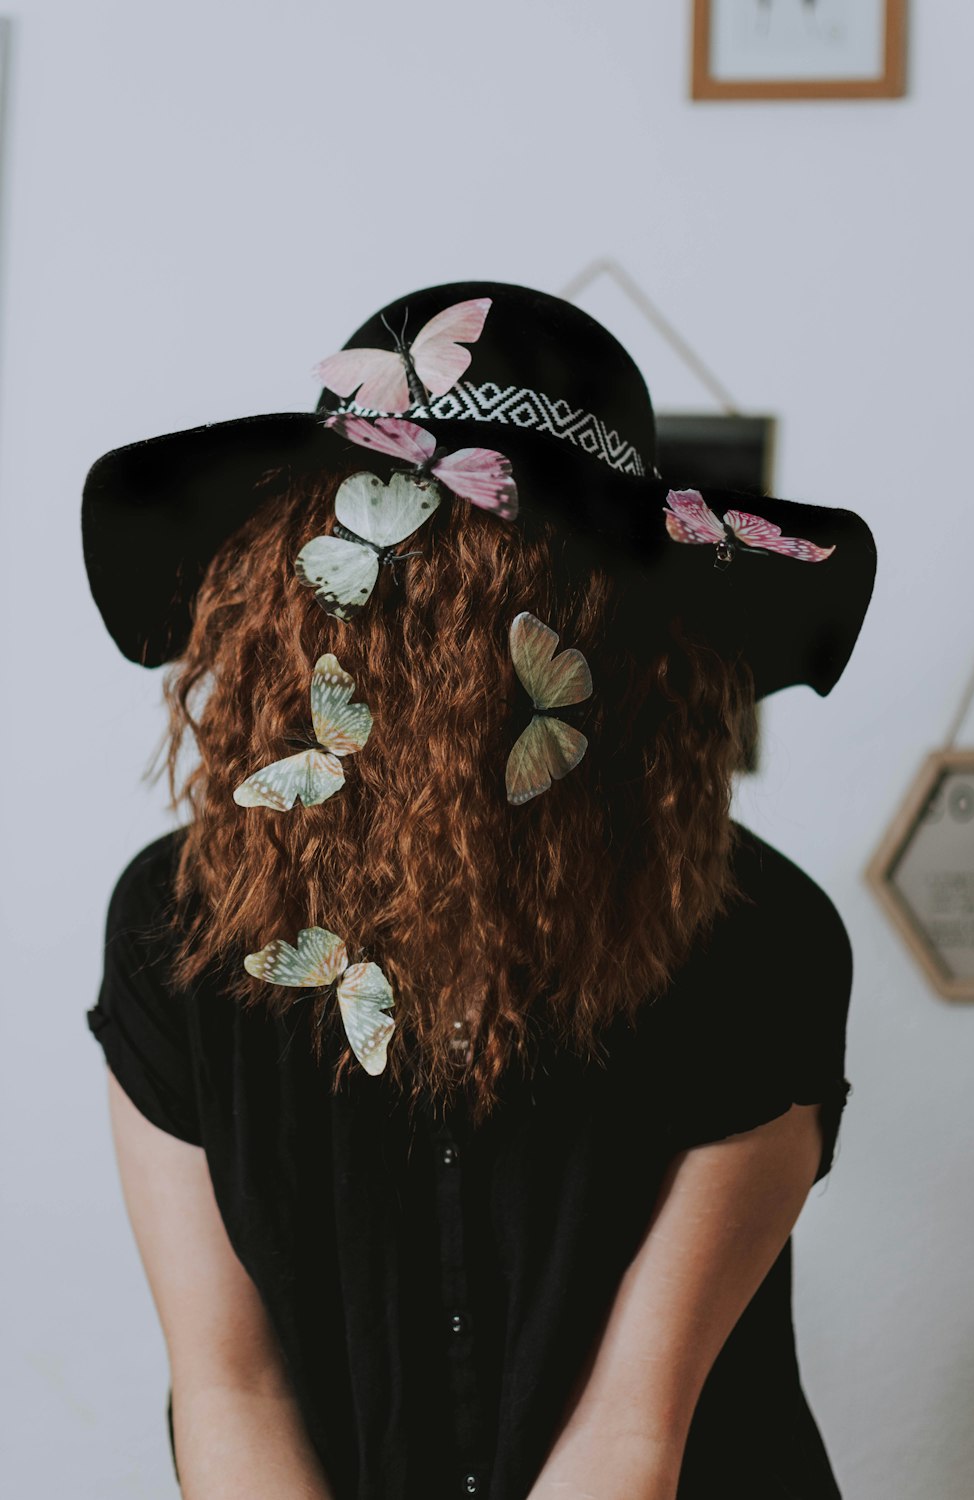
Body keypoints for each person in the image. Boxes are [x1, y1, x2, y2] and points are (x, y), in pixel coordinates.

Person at [83, 280, 877, 1500]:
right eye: (399, 596)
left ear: (620, 642)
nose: (443, 663)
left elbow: (631, 1435)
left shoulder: (751, 937)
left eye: (500, 608)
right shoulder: (177, 931)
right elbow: (232, 1390)